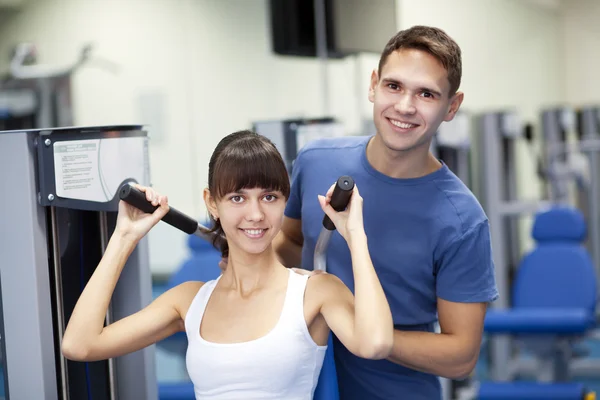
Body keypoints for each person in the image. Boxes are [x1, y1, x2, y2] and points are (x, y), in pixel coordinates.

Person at [61, 130, 394, 400]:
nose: (255, 214)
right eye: (237, 198)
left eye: (269, 197)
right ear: (212, 204)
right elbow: (80, 344)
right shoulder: (188, 301)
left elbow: (376, 343)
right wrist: (123, 237)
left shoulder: (315, 291)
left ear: (283, 202)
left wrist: (355, 236)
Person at [272, 25, 499, 400]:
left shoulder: (462, 220)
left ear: (452, 107)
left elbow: (461, 355)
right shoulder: (315, 161)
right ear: (373, 85)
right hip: (297, 383)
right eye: (394, 86)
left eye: (426, 93)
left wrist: (365, 333)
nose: (405, 106)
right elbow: (291, 240)